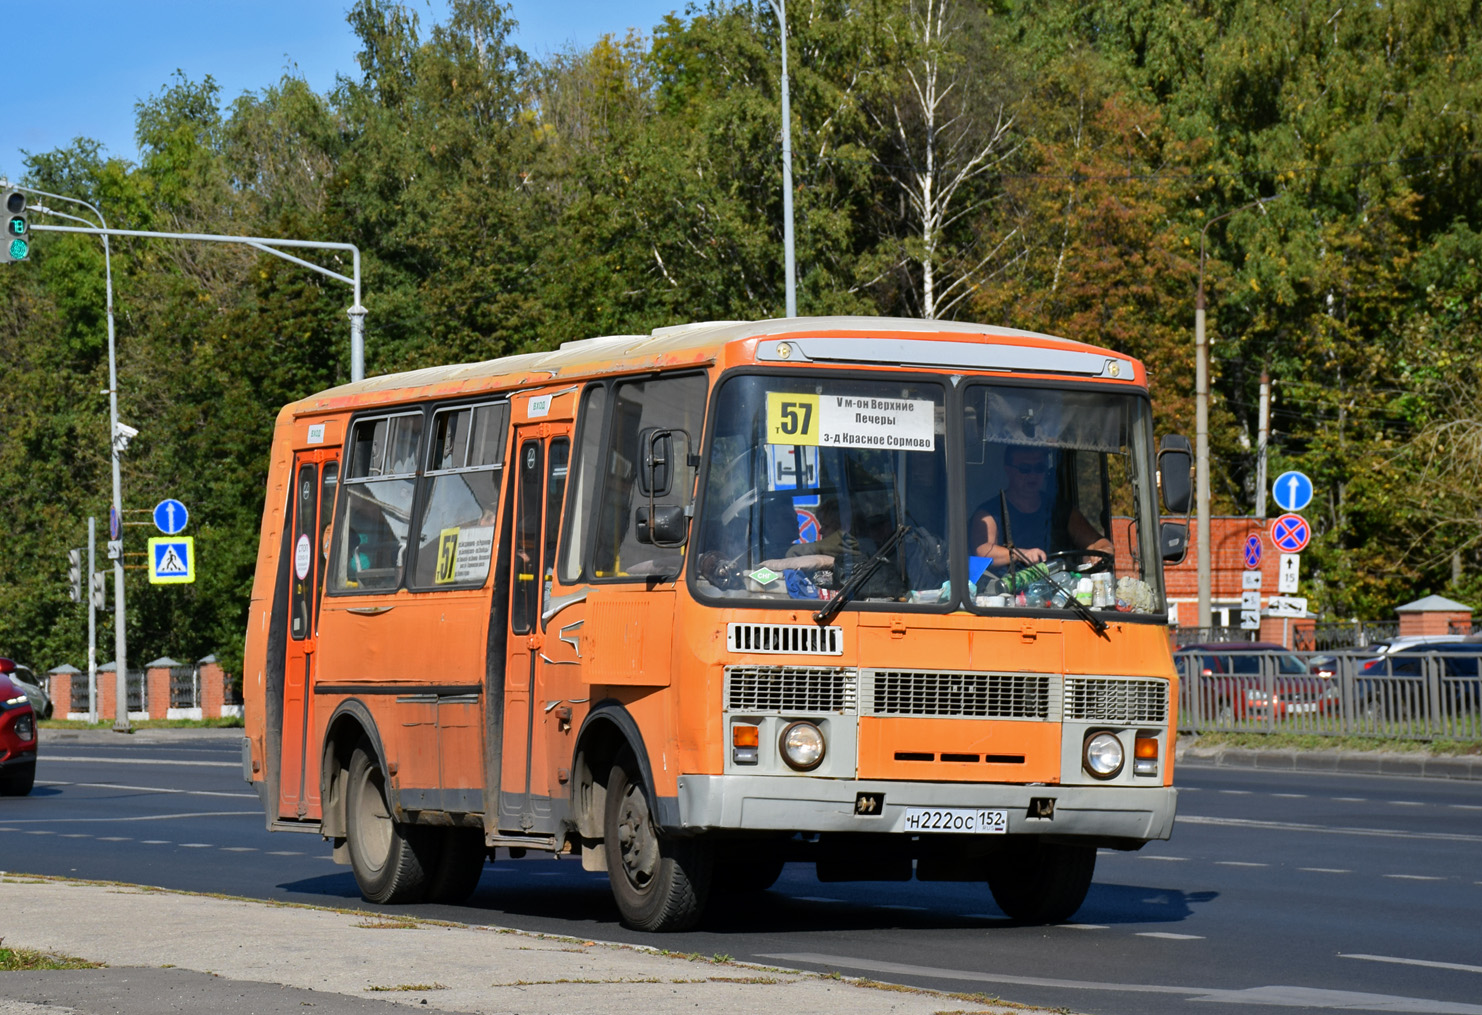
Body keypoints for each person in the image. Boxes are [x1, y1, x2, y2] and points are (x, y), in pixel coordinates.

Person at [970, 445, 1112, 568]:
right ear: (1009, 470)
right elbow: (983, 551)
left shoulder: (1061, 510)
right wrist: (1021, 554)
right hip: (1008, 596)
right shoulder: (988, 514)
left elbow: (1097, 542)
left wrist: (1104, 551)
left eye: (1039, 468)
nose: (1033, 475)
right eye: (1025, 469)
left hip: (1061, 592)